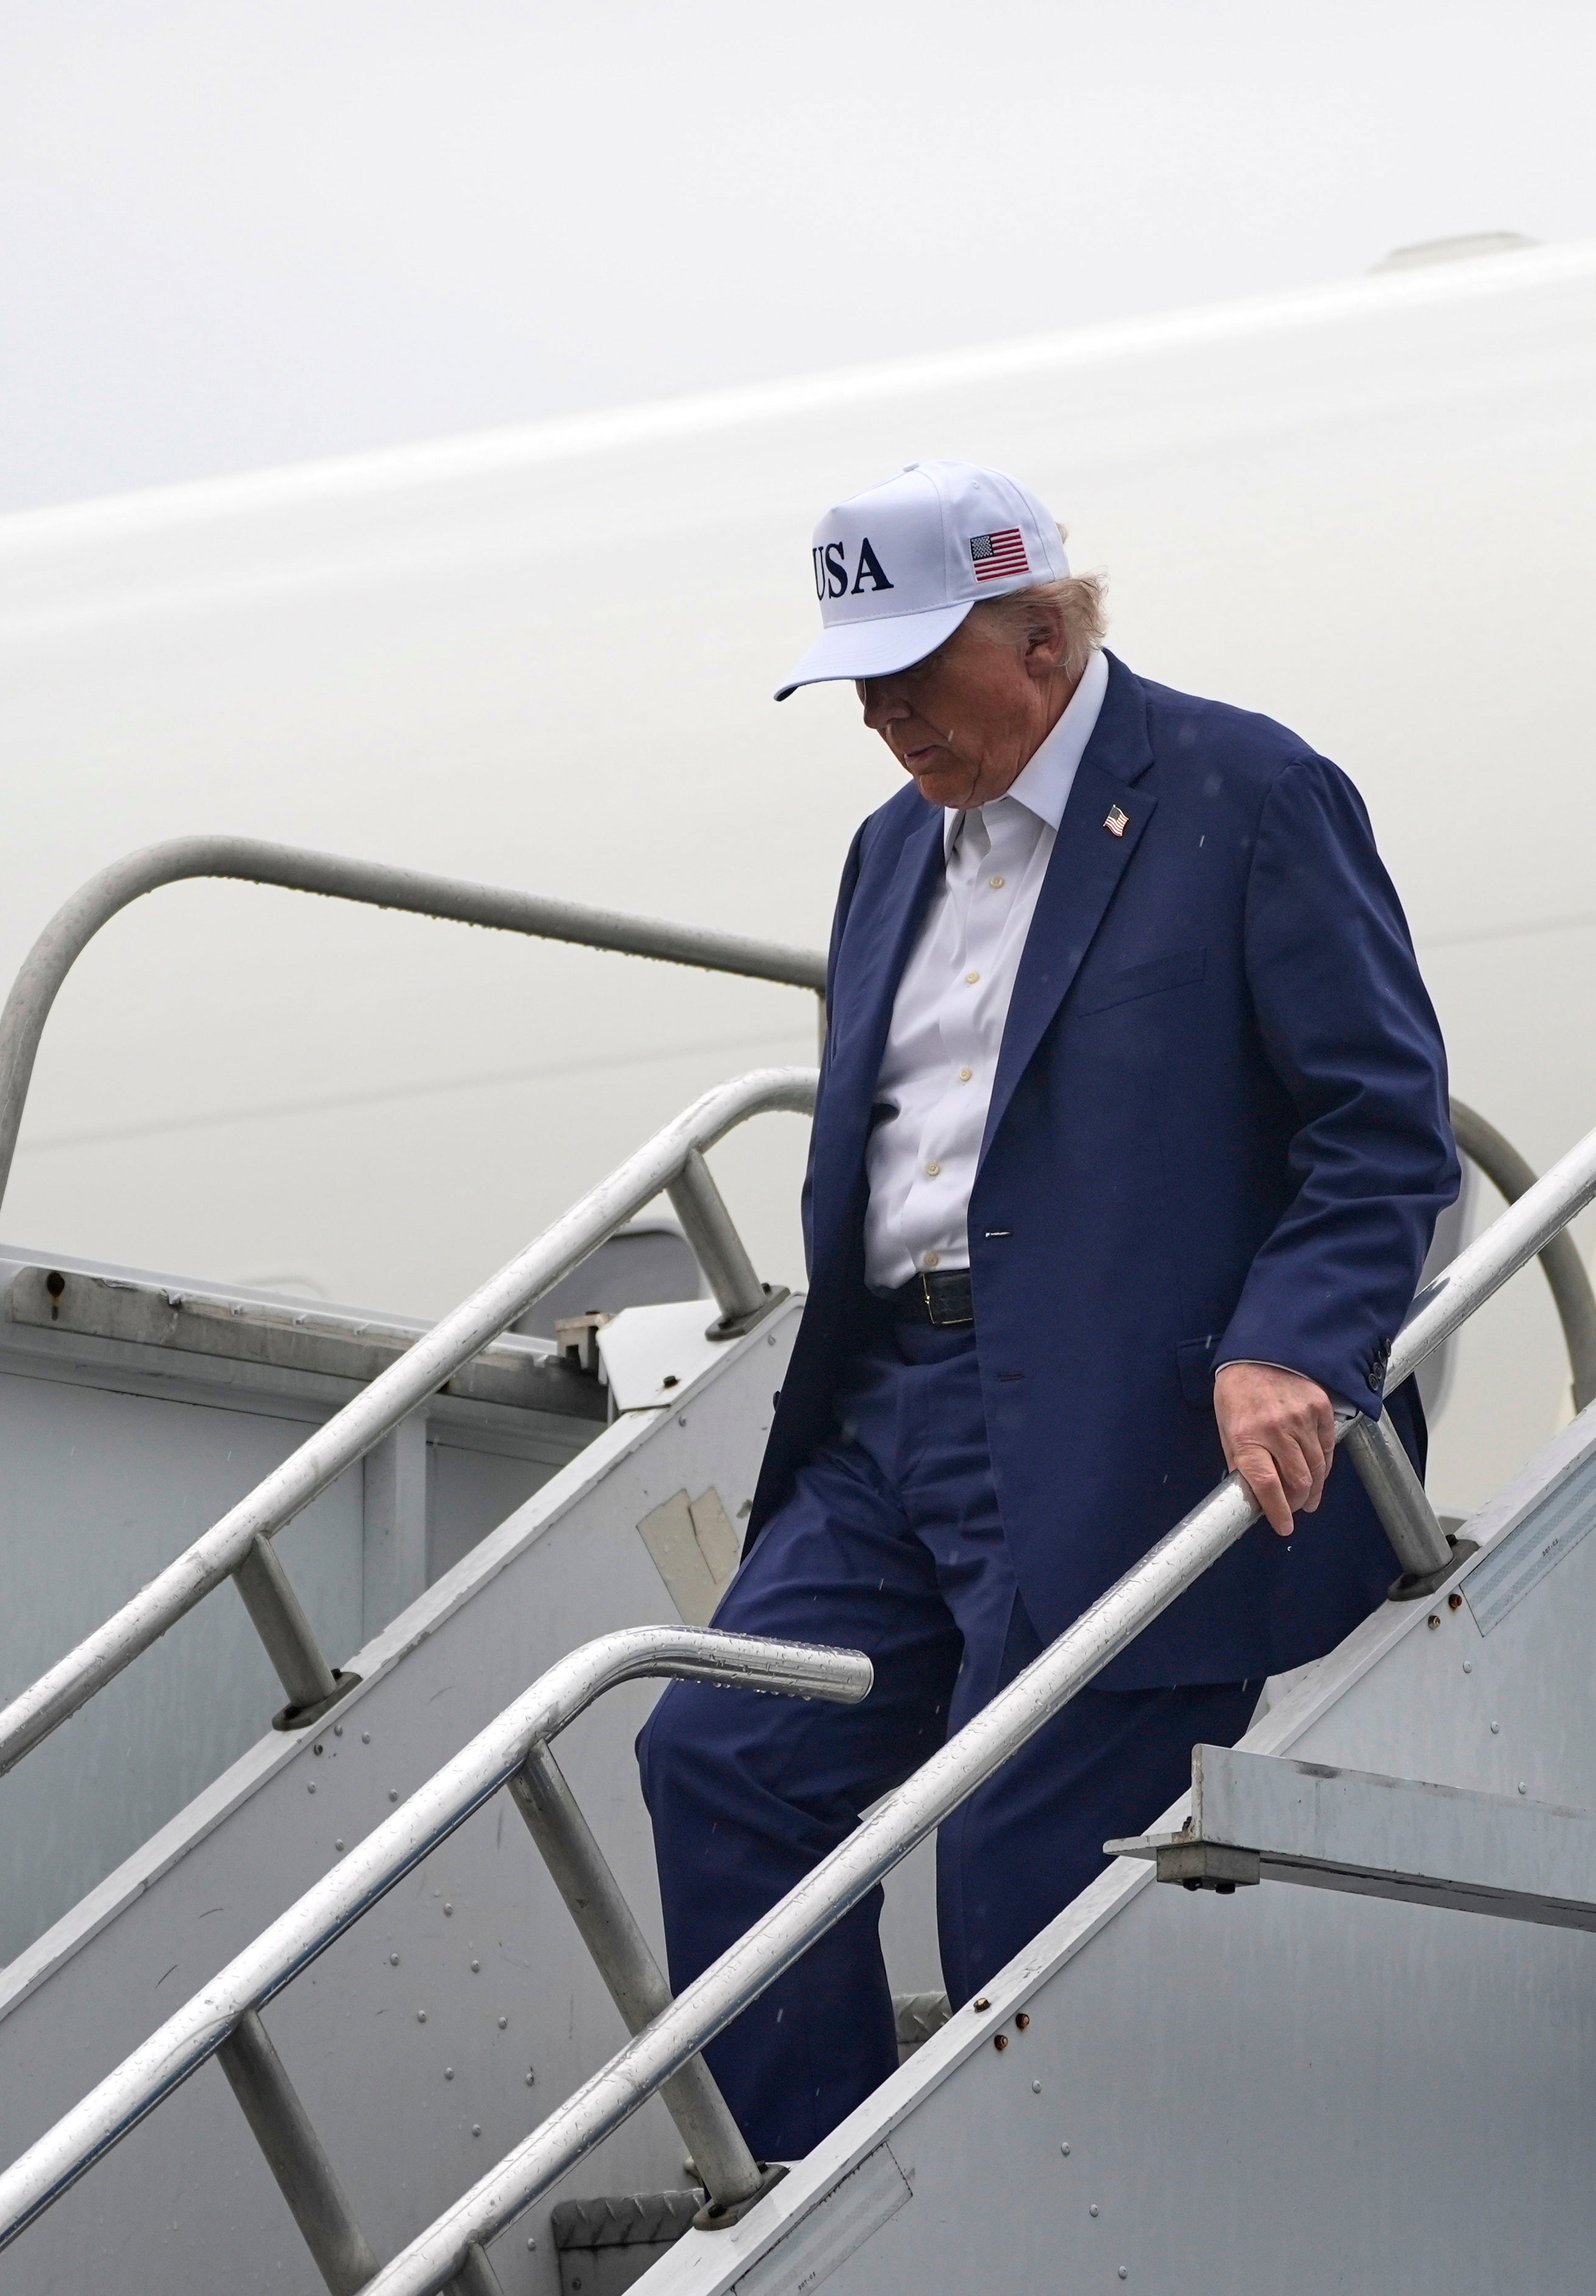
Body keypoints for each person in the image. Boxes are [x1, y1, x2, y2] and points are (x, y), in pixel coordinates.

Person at [636, 458, 1458, 2160]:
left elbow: (1381, 1127)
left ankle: (1018, 2223)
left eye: (911, 669)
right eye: (855, 682)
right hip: (891, 1417)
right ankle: (820, 2222)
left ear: (1044, 633)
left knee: (1010, 1852)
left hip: (1128, 1423)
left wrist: (1291, 1341)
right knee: (719, 1754)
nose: (881, 715)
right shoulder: (887, 854)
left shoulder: (1249, 791)